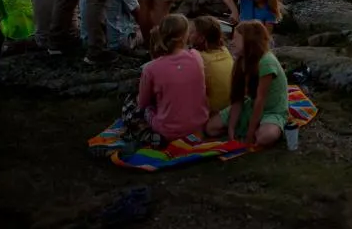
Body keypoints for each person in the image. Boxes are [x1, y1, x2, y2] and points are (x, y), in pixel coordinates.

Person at [121, 14, 207, 147]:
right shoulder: (197, 56)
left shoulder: (151, 68)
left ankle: (148, 136)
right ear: (185, 35)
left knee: (131, 105)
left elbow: (143, 103)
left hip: (167, 130)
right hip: (198, 126)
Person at [206, 21, 287, 147]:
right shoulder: (241, 61)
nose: (231, 43)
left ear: (249, 40)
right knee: (211, 129)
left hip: (271, 110)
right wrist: (231, 129)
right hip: (251, 105)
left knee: (265, 137)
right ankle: (247, 129)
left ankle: (260, 129)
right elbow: (237, 98)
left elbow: (261, 100)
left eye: (236, 39)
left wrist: (250, 134)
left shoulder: (266, 62)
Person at [191, 16, 234, 114]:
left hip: (213, 110)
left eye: (192, 32)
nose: (189, 34)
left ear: (201, 38)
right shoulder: (224, 50)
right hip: (229, 106)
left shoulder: (198, 57)